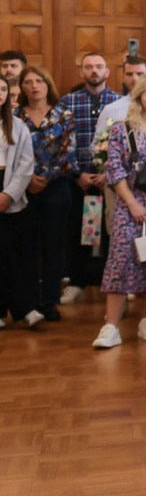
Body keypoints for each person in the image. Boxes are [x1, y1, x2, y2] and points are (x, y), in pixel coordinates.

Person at [94, 77, 146, 349]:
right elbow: (115, 169)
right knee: (120, 260)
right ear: (139, 96)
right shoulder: (122, 128)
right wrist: (132, 204)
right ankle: (111, 326)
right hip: (128, 203)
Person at [54, 51, 120, 295]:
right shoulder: (67, 102)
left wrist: (108, 173)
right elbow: (60, 141)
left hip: (112, 180)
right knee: (78, 231)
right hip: (78, 179)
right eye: (89, 66)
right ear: (81, 71)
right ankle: (77, 282)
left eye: (99, 66)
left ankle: (114, 283)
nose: (94, 71)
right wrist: (77, 174)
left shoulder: (119, 102)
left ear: (107, 71)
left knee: (111, 232)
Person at [14, 66, 68, 322]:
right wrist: (27, 179)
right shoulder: (14, 116)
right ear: (21, 87)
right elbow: (10, 153)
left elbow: (67, 151)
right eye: (28, 82)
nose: (34, 86)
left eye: (39, 81)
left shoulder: (63, 114)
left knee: (53, 244)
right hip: (22, 188)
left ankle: (49, 300)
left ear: (48, 84)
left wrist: (45, 178)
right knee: (26, 244)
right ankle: (29, 302)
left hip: (56, 186)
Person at [0, 76, 39, 329]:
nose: (0, 93)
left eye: (3, 89)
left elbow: (26, 165)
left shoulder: (17, 125)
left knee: (14, 253)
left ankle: (24, 308)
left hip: (9, 190)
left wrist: (8, 195)